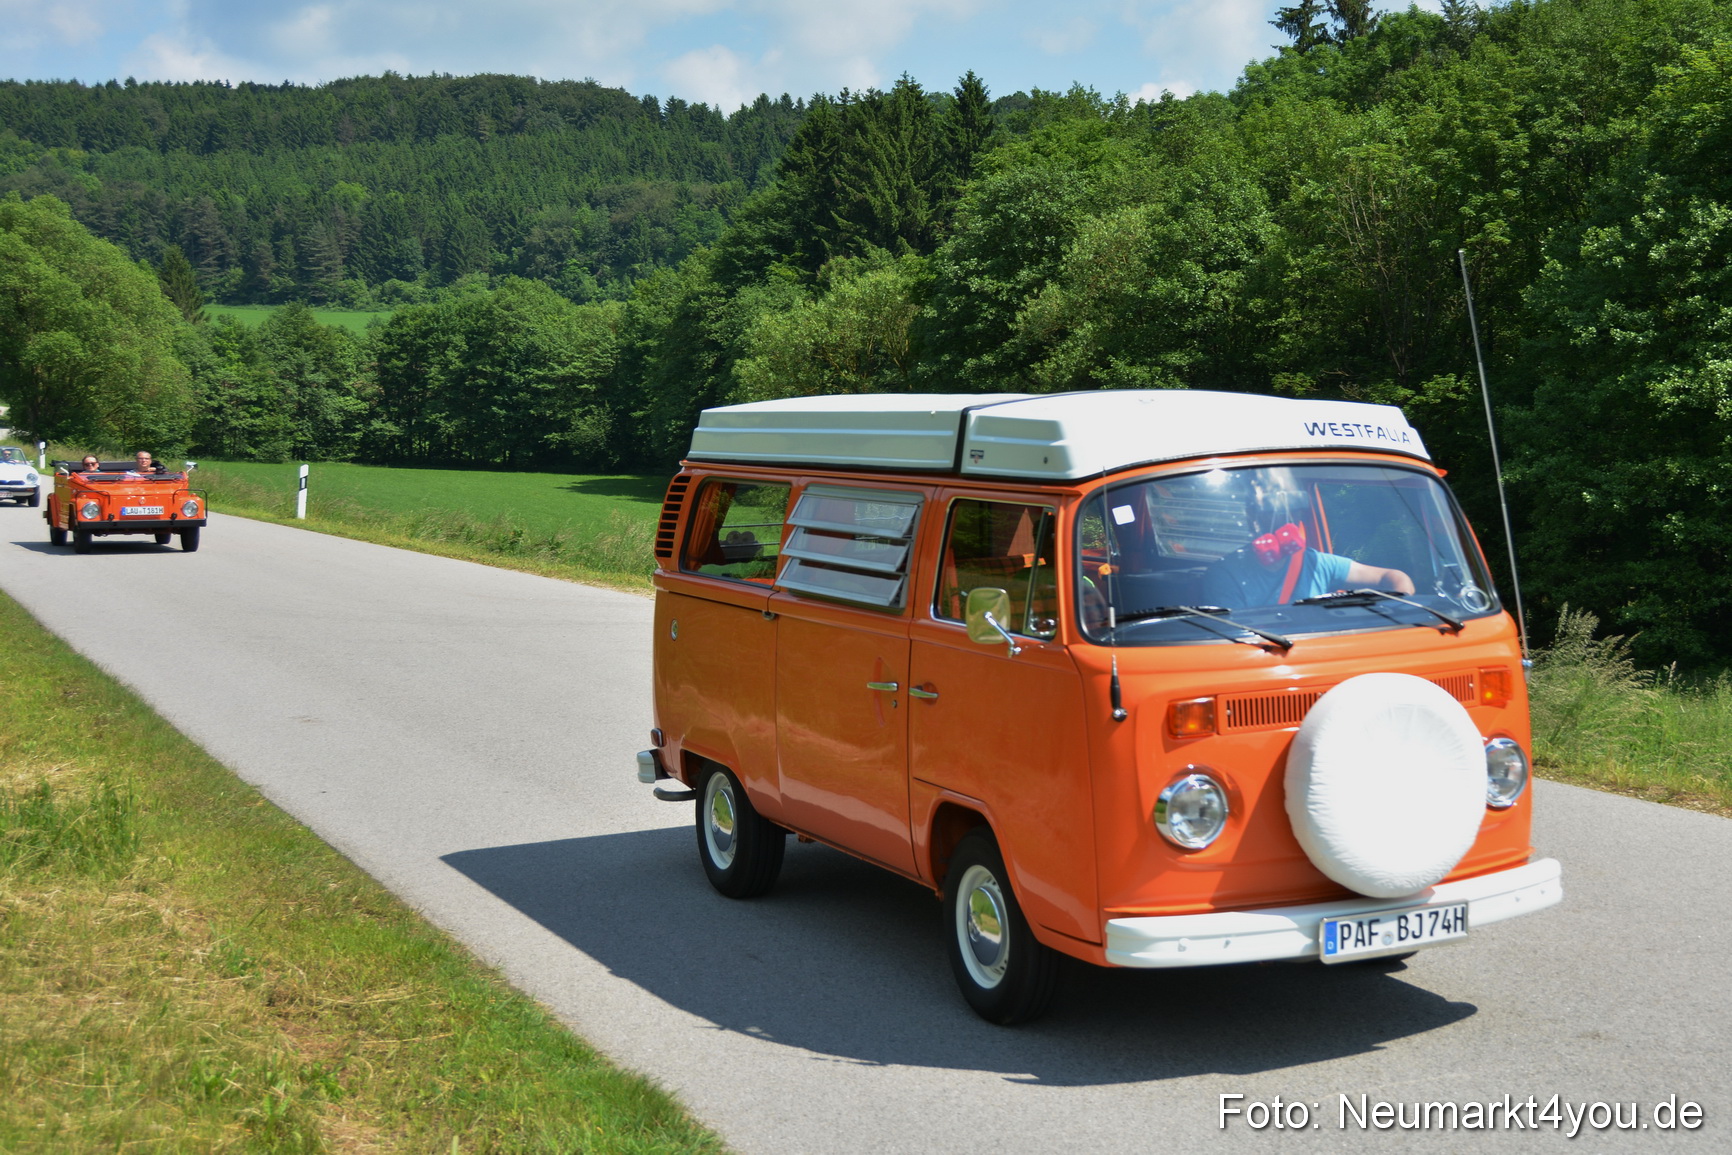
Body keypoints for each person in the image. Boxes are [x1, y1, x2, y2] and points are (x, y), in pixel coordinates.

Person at [1200, 481, 1413, 609]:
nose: (1283, 520)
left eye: (1290, 511)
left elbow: (1392, 577)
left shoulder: (1316, 562)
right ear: (1252, 519)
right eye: (1268, 513)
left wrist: (1403, 607)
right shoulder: (1225, 574)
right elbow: (1234, 638)